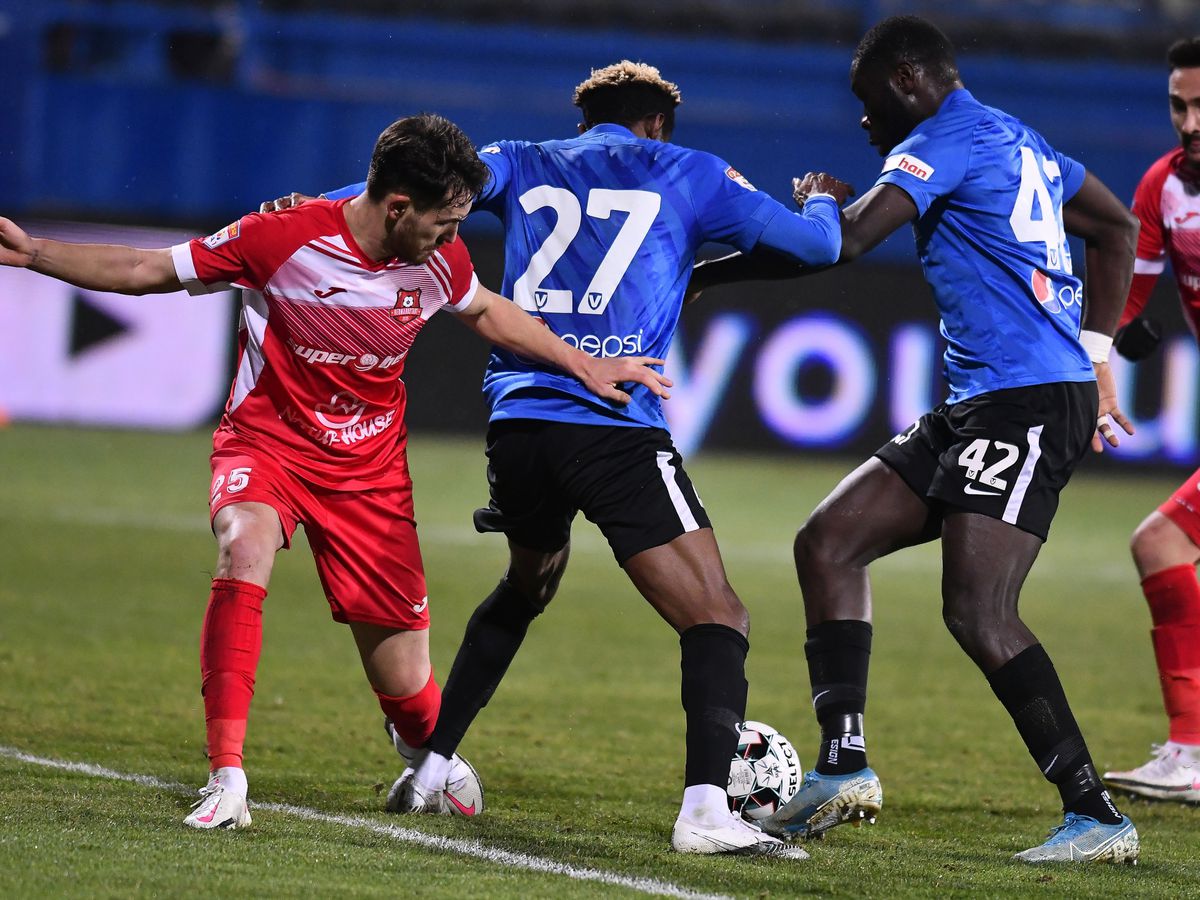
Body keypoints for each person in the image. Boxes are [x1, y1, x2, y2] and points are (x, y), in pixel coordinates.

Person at [0, 113, 671, 831]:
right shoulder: (279, 238)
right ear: (397, 207)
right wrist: (34, 251)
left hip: (368, 477)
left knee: (412, 698)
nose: (453, 240)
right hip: (269, 445)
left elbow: (488, 314)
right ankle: (226, 776)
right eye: (443, 223)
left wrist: (584, 363)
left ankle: (418, 746)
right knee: (244, 545)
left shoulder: (439, 260)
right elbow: (148, 270)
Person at [300, 60, 852, 857]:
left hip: (519, 423)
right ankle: (705, 811)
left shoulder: (522, 159)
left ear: (586, 118)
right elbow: (814, 247)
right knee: (718, 614)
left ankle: (430, 765)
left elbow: (411, 188)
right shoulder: (688, 171)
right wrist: (824, 198)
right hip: (614, 423)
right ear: (657, 124)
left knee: (527, 584)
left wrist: (306, 211)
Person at [690, 16, 1141, 864]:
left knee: (978, 609)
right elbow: (1115, 231)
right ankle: (843, 761)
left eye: (866, 104)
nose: (863, 124)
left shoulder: (941, 141)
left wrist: (804, 208)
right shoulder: (1020, 139)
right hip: (983, 401)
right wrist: (1098, 352)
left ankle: (1095, 813)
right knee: (828, 541)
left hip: (1028, 403)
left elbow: (847, 239)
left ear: (904, 79)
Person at [1102, 36, 1200, 804]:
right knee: (1160, 542)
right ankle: (1189, 749)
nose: (1191, 122)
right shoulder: (1162, 189)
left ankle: (1191, 749)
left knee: (1159, 540)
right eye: (1179, 105)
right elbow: (1121, 308)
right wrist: (1103, 362)